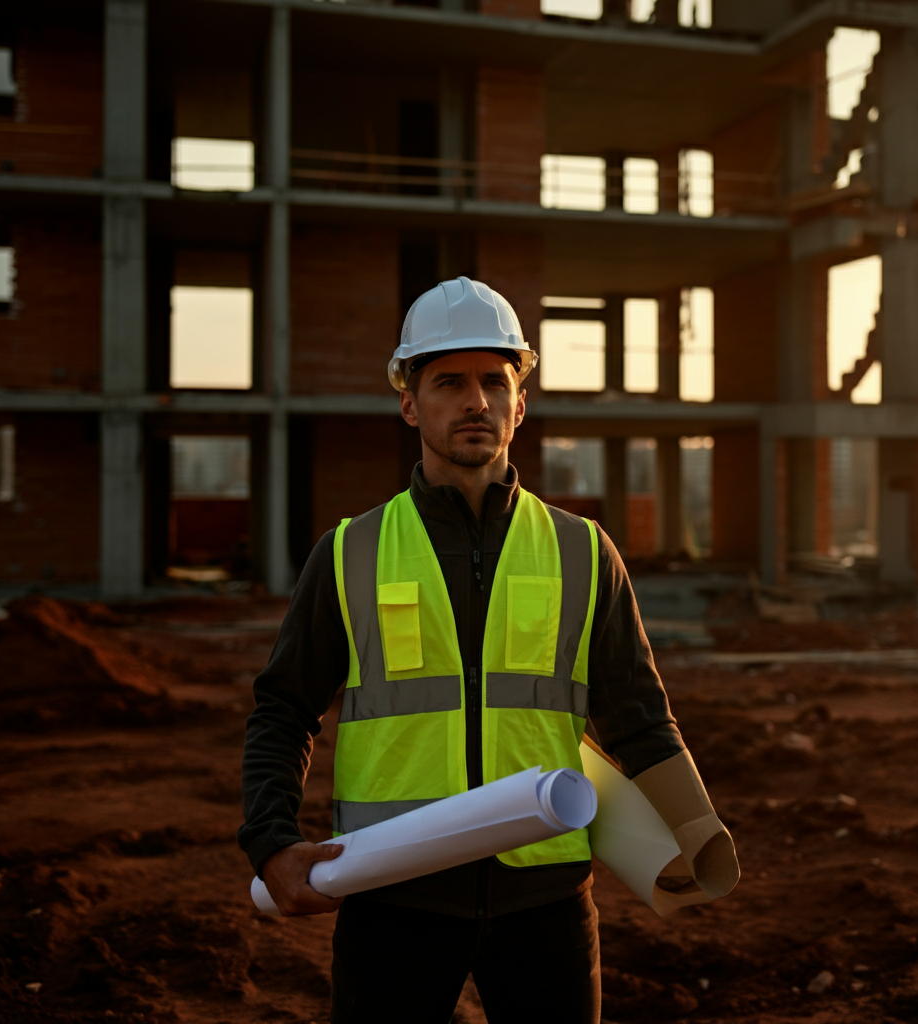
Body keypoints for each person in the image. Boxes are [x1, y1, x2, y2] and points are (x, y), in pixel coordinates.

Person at [239, 277, 732, 1023]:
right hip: (392, 898)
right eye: (448, 382)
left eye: (493, 382)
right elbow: (283, 711)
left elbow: (638, 715)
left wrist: (696, 831)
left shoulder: (583, 552)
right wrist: (271, 842)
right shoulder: (349, 553)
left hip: (548, 900)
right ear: (410, 402)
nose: (475, 401)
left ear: (519, 402)